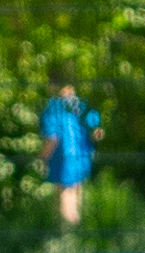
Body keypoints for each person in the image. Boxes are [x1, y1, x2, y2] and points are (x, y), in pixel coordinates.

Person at [39, 74, 101, 227]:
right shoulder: (81, 105)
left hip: (63, 157)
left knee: (64, 194)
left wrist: (42, 157)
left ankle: (67, 234)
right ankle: (78, 232)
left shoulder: (54, 107)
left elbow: (52, 137)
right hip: (82, 156)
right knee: (76, 191)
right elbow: (97, 132)